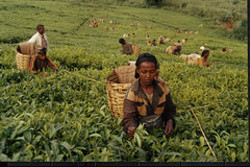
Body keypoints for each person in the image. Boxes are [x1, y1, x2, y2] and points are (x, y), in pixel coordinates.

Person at [122, 53, 176, 139]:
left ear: (156, 71)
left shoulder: (163, 89)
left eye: (152, 72)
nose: (148, 76)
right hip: (141, 132)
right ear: (137, 71)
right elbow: (129, 117)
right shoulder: (132, 93)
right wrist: (131, 127)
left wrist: (169, 122)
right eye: (144, 72)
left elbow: (170, 110)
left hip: (160, 131)